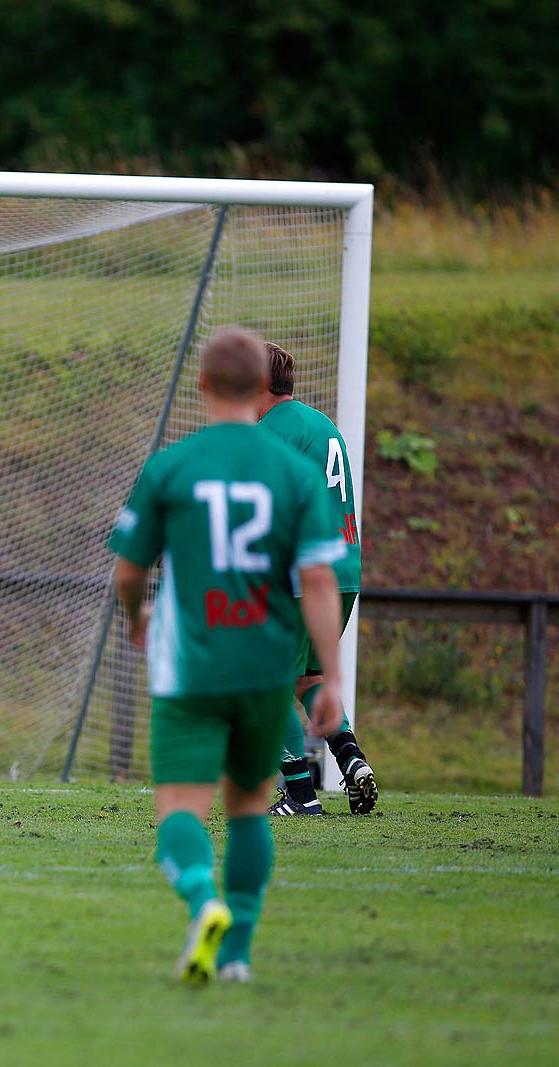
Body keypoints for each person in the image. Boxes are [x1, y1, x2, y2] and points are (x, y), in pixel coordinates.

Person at [109, 326, 349, 986]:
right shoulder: (296, 475)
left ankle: (201, 899)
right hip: (267, 670)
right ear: (266, 387)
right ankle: (238, 954)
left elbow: (129, 572)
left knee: (181, 814)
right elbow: (320, 581)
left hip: (192, 669)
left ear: (205, 385)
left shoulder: (171, 467)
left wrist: (138, 618)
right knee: (250, 811)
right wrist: (328, 675)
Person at [256, 341, 377, 816]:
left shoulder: (269, 433)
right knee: (308, 677)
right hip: (346, 571)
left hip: (303, 575)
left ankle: (302, 797)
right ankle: (352, 762)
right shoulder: (321, 424)